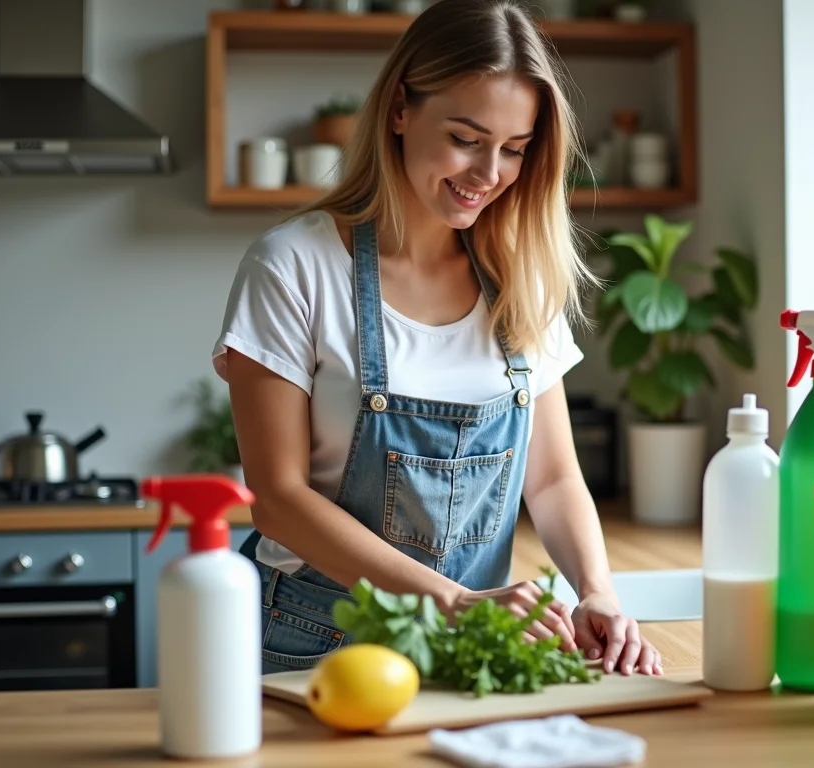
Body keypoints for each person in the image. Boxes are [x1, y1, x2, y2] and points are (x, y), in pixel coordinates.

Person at [212, 0, 662, 678]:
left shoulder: (519, 271)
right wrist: (453, 602)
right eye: (466, 137)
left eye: (514, 149)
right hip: (313, 644)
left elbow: (553, 475)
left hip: (469, 648)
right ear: (400, 109)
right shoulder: (293, 266)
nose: (489, 172)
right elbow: (277, 498)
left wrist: (596, 592)